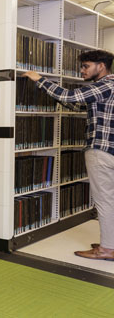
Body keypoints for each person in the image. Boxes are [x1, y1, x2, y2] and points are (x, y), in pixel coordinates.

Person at [23, 50, 114, 261]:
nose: (81, 70)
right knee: (110, 199)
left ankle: (107, 250)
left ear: (101, 66)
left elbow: (69, 96)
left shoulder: (105, 85)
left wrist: (40, 79)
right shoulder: (105, 89)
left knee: (104, 200)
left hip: (101, 151)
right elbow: (75, 103)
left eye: (86, 66)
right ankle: (110, 243)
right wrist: (50, 90)